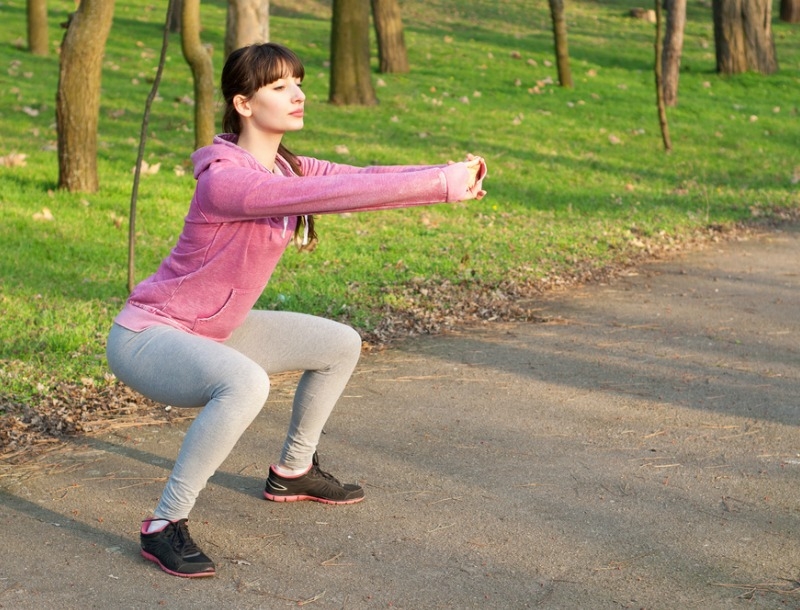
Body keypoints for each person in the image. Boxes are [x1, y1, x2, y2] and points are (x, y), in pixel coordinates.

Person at [105, 42, 487, 579]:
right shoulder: (227, 180)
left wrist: (447, 174)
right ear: (243, 103)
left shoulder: (288, 168)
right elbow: (338, 196)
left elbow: (360, 179)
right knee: (246, 384)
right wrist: (441, 185)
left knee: (339, 344)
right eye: (280, 86)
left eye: (298, 82)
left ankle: (292, 471)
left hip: (214, 330)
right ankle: (163, 525)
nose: (298, 94)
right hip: (149, 338)